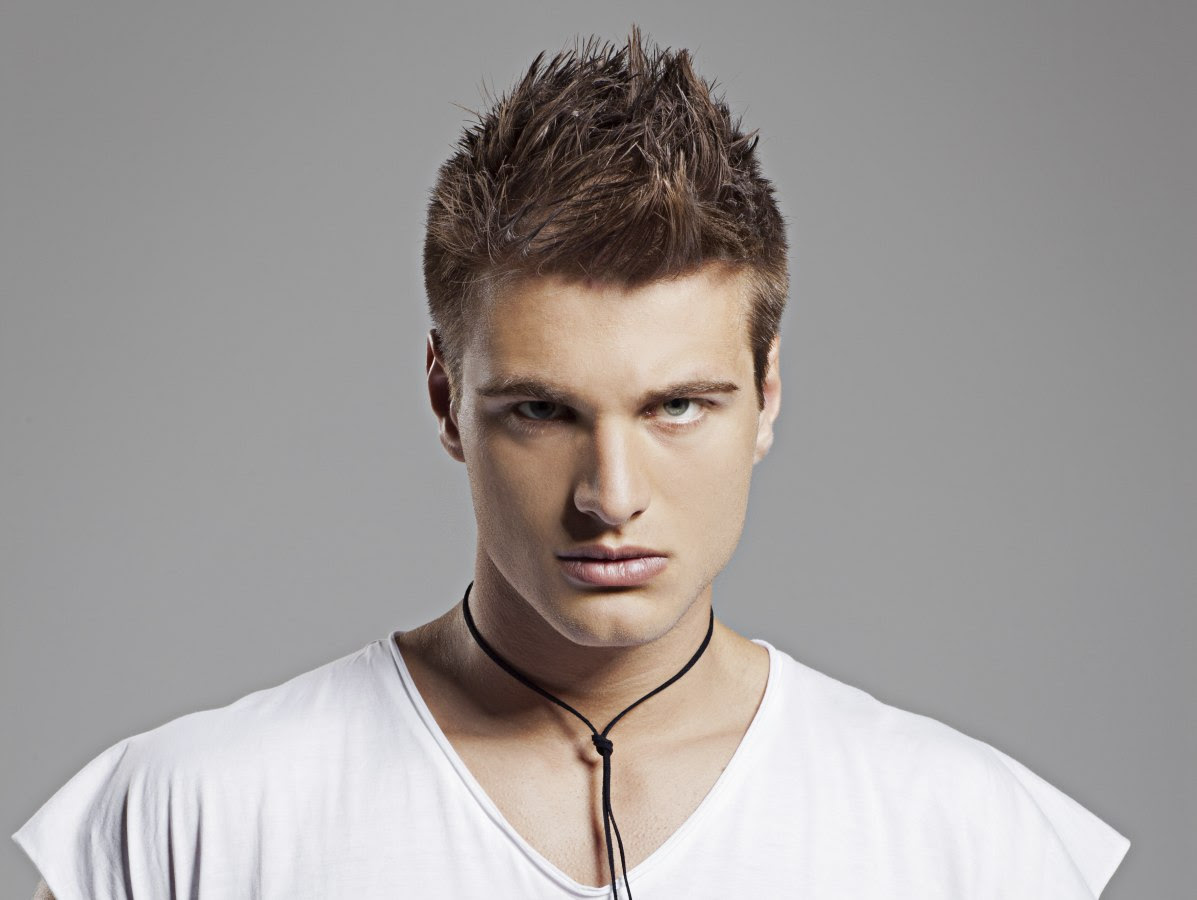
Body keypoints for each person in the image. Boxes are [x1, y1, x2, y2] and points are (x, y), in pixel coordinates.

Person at [14, 29, 1129, 900]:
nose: (611, 497)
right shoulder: (187, 820)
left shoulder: (973, 840)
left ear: (766, 395)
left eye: (677, 406)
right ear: (447, 399)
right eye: (543, 411)